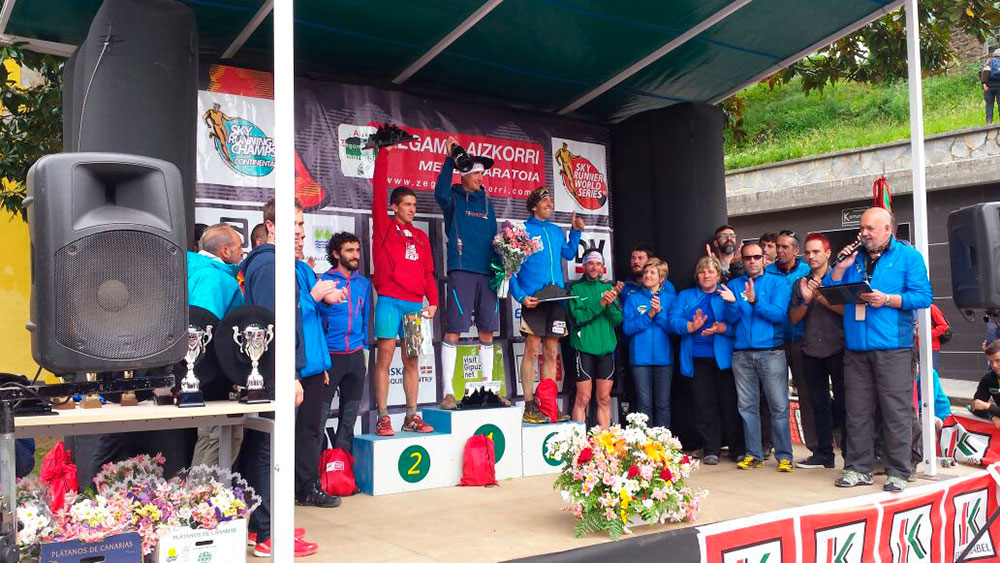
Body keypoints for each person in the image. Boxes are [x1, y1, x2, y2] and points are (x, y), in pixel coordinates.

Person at [240, 198, 344, 557]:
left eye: (301, 224)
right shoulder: (270, 265)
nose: (300, 231)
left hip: (277, 370)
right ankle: (269, 533)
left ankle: (262, 526)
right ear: (271, 226)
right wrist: (290, 374)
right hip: (274, 372)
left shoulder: (280, 264)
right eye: (294, 224)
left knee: (263, 447)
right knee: (268, 451)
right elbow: (275, 324)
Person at [829, 207, 933, 493]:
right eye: (862, 228)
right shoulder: (854, 257)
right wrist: (840, 267)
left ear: (888, 230)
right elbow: (829, 290)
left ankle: (899, 470)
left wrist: (886, 299)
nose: (864, 233)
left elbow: (923, 296)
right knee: (857, 410)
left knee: (895, 410)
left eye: (870, 228)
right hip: (856, 346)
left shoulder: (908, 256)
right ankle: (858, 467)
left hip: (893, 346)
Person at [370, 146, 438, 435]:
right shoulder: (384, 228)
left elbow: (428, 273)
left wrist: (433, 301)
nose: (412, 209)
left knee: (412, 361)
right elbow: (378, 192)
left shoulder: (421, 237)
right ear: (394, 207)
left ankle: (411, 416)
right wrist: (383, 154)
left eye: (414, 204)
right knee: (385, 358)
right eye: (407, 204)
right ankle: (383, 417)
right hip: (389, 301)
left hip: (414, 305)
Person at [510, 187, 584, 423]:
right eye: (545, 200)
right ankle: (529, 404)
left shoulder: (555, 230)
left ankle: (548, 404)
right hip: (534, 300)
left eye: (551, 200)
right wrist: (521, 296)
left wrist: (575, 232)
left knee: (552, 351)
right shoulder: (522, 231)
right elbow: (509, 269)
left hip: (556, 299)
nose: (550, 203)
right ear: (534, 206)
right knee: (532, 349)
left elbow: (569, 253)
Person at [436, 137, 499, 410]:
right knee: (454, 330)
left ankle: (488, 389)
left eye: (482, 174)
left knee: (487, 331)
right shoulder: (452, 199)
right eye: (475, 173)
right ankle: (448, 392)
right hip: (462, 270)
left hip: (487, 273)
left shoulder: (488, 203)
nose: (480, 178)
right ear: (463, 174)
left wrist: (503, 265)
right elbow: (439, 192)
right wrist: (450, 159)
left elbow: (496, 238)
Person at [668, 257, 742, 464]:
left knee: (730, 405)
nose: (706, 275)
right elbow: (672, 320)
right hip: (697, 359)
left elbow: (739, 323)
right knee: (704, 406)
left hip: (724, 360)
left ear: (718, 275)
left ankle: (737, 448)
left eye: (710, 272)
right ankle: (711, 449)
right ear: (697, 276)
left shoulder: (726, 294)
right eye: (702, 272)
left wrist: (723, 327)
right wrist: (690, 326)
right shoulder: (686, 296)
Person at [728, 242, 794, 472]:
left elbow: (779, 315)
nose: (752, 261)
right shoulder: (734, 284)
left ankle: (784, 456)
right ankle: (753, 454)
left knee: (779, 406)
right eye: (747, 258)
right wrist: (734, 304)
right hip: (742, 353)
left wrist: (755, 301)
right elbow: (730, 319)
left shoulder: (778, 282)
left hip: (771, 351)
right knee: (747, 407)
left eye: (756, 257)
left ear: (764, 259)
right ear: (742, 260)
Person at [187, 224, 246, 469]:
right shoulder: (214, 278)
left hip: (200, 375)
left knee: (209, 436)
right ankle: (206, 492)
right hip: (214, 376)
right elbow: (204, 330)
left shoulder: (193, 270)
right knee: (222, 437)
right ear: (225, 251)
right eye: (239, 247)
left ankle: (199, 491)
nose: (242, 253)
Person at [788, 233, 846, 469]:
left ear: (828, 253)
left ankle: (850, 455)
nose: (811, 256)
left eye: (816, 252)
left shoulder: (840, 277)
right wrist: (806, 300)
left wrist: (820, 297)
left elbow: (846, 311)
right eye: (808, 252)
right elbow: (793, 318)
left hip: (839, 347)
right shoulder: (800, 283)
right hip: (811, 348)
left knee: (844, 403)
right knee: (818, 404)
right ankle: (823, 454)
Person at [766, 231, 817, 458]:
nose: (780, 250)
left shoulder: (807, 271)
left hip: (802, 340)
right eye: (778, 246)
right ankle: (767, 443)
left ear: (796, 250)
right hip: (774, 341)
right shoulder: (766, 272)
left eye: (785, 247)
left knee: (807, 394)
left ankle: (815, 448)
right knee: (771, 396)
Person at [319, 232, 370, 454]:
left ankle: (342, 468)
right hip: (331, 357)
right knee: (318, 419)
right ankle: (316, 469)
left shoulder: (363, 284)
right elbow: (316, 322)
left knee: (348, 422)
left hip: (356, 357)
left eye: (357, 250)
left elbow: (365, 320)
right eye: (349, 250)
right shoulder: (324, 282)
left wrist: (365, 350)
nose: (355, 255)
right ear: (336, 254)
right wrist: (320, 360)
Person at [567, 248, 623, 428]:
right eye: (590, 263)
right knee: (583, 397)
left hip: (606, 350)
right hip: (584, 349)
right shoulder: (575, 289)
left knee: (604, 398)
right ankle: (577, 440)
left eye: (598, 264)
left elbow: (618, 319)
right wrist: (601, 304)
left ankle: (604, 441)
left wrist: (610, 304)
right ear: (583, 266)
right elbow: (577, 318)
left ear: (603, 268)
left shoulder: (608, 288)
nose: (594, 267)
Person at [622, 258, 675, 427]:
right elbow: (627, 328)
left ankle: (663, 440)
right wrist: (649, 315)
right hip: (640, 360)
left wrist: (658, 313)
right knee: (644, 404)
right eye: (645, 272)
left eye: (652, 273)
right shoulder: (633, 299)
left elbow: (674, 328)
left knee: (663, 403)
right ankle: (646, 441)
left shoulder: (670, 299)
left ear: (661, 278)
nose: (647, 275)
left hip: (664, 359)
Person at [971, 340, 1000, 427]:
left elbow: (984, 405)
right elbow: (975, 406)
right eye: (991, 361)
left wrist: (988, 406)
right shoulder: (988, 378)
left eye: (998, 360)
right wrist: (992, 416)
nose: (994, 365)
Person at [928, 303, 950, 369]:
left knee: (931, 372)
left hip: (931, 347)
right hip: (913, 348)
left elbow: (943, 326)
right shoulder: (909, 308)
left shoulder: (931, 308)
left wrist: (928, 334)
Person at [982, 49, 1000, 124]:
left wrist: (984, 84)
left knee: (989, 104)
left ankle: (989, 121)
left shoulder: (989, 61)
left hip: (989, 87)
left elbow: (985, 72)